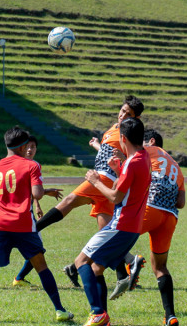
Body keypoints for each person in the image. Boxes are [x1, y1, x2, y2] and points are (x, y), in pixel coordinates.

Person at [0, 126, 74, 324]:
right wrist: (44, 191)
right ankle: (60, 310)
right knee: (41, 266)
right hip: (23, 225)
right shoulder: (31, 165)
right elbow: (36, 194)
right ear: (22, 147)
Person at [32, 95, 145, 285]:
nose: (122, 114)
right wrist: (98, 146)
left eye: (128, 113)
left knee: (68, 201)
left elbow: (134, 157)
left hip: (104, 179)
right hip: (104, 180)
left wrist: (123, 159)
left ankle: (33, 229)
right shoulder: (113, 129)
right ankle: (124, 271)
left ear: (135, 118)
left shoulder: (129, 134)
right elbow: (109, 153)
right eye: (122, 110)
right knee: (105, 231)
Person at [72, 117, 151, 326]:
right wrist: (117, 171)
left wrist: (96, 181)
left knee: (81, 262)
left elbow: (116, 197)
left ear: (123, 138)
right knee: (96, 269)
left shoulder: (132, 162)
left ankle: (97, 313)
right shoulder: (142, 158)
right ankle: (103, 324)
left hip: (119, 225)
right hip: (132, 227)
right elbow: (128, 189)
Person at [108, 129, 184, 326]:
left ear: (149, 141)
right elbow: (181, 201)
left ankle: (130, 263)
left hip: (150, 208)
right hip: (170, 217)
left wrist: (118, 169)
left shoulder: (146, 152)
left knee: (110, 239)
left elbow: (126, 179)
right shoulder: (176, 165)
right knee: (160, 267)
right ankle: (170, 316)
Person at [0, 137, 63, 288]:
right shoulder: (14, 165)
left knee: (34, 250)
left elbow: (33, 190)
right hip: (14, 217)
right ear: (21, 148)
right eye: (28, 146)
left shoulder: (33, 165)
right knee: (32, 250)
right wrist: (47, 192)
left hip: (23, 215)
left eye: (33, 147)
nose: (30, 149)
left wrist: (37, 205)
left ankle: (19, 277)